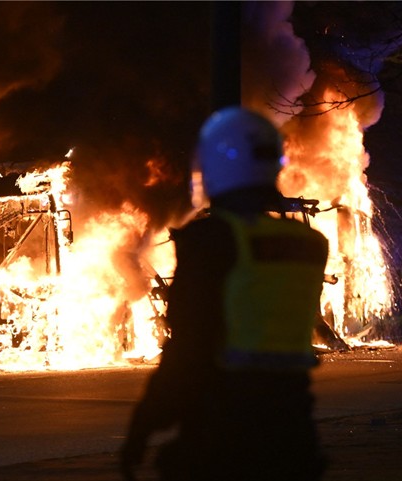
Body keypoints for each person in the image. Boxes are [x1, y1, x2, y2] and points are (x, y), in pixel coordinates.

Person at [120, 107, 328, 481]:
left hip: (224, 431)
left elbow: (189, 350)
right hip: (293, 428)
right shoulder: (309, 244)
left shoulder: (214, 241)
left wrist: (143, 428)